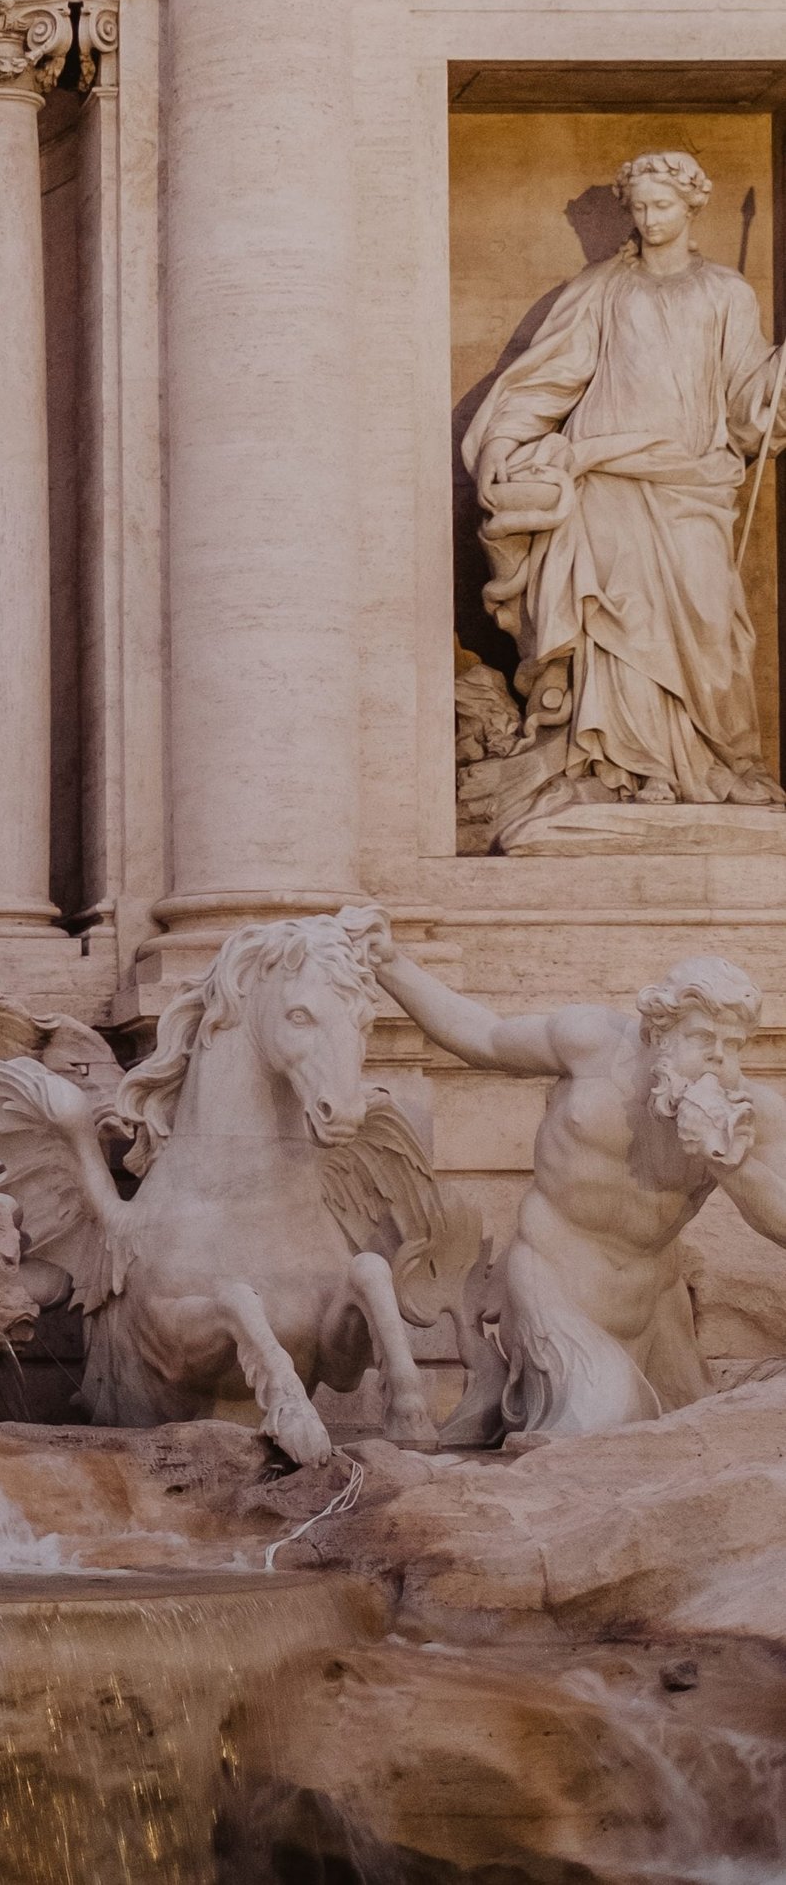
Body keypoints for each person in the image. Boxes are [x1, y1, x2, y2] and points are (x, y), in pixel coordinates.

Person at [465, 148, 786, 816]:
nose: (649, 218)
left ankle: (721, 763)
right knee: (618, 626)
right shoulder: (603, 288)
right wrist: (502, 438)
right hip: (605, 477)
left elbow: (746, 400)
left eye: (662, 205)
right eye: (638, 207)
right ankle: (626, 767)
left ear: (692, 207)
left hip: (689, 480)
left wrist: (773, 391)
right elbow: (549, 377)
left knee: (710, 621)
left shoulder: (726, 292)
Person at [367, 930, 786, 1436]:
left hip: (655, 1304)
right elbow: (484, 1036)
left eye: (733, 1045)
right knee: (605, 1428)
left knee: (688, 1442)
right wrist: (390, 964)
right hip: (556, 1282)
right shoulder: (591, 1044)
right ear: (659, 1032)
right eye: (702, 1039)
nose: (720, 1059)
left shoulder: (751, 1113)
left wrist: (731, 1165)